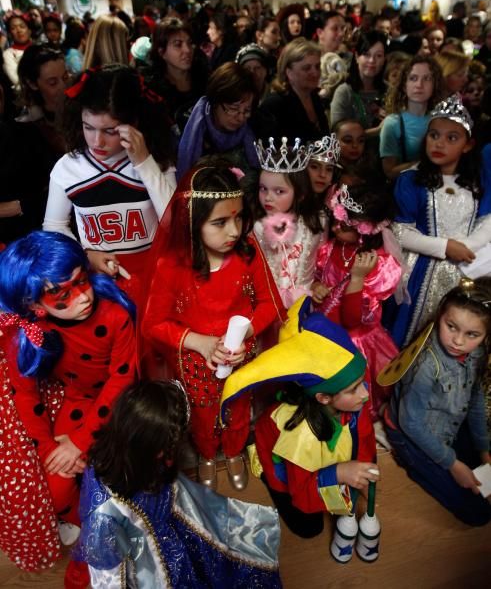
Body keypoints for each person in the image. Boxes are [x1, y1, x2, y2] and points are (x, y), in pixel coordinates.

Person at [0, 231, 137, 584]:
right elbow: (26, 395)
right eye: (63, 294)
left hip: (118, 403)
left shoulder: (114, 313)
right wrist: (51, 450)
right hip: (73, 402)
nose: (83, 296)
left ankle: (125, 528)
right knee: (58, 487)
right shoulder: (27, 332)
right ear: (34, 306)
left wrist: (79, 442)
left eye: (82, 281)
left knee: (127, 472)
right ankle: (92, 532)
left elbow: (121, 382)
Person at [142, 166, 285, 490]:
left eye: (237, 218)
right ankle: (207, 454)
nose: (233, 231)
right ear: (193, 223)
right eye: (220, 222)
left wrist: (247, 333)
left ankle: (234, 452)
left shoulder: (248, 253)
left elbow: (268, 304)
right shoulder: (172, 265)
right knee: (203, 415)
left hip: (240, 355)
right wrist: (201, 343)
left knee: (239, 406)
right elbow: (153, 324)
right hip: (195, 360)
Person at [75, 380, 282, 588]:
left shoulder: (143, 459)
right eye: (164, 448)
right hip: (146, 563)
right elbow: (109, 578)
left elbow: (186, 500)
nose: (166, 456)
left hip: (175, 529)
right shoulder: (103, 514)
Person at [220, 297, 377, 542]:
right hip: (290, 469)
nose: (366, 394)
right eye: (354, 389)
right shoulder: (299, 436)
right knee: (308, 528)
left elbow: (364, 438)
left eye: (361, 383)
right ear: (324, 398)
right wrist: (337, 474)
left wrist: (364, 473)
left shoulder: (356, 401)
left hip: (323, 448)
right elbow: (301, 491)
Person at [43, 65, 176, 303]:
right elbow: (53, 229)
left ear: (133, 122)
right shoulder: (68, 167)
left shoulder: (156, 160)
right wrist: (85, 255)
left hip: (156, 280)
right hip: (96, 286)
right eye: (88, 127)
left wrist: (144, 162)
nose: (97, 140)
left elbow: (176, 223)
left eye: (110, 130)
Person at [381, 278, 491, 526]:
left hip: (448, 420)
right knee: (478, 514)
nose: (458, 341)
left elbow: (474, 400)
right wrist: (452, 464)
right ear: (440, 316)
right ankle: (410, 460)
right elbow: (410, 423)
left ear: (485, 335)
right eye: (451, 326)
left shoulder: (477, 352)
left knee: (483, 477)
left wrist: (483, 450)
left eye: (472, 334)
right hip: (409, 431)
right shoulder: (427, 364)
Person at [389, 95, 491, 347]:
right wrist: (446, 247)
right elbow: (400, 232)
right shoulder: (410, 180)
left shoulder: (478, 181)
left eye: (451, 138)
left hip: (465, 271)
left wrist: (467, 246)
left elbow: (488, 220)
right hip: (419, 274)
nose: (439, 143)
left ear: (468, 145)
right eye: (434, 135)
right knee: (411, 336)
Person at [311, 184, 401, 423]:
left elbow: (352, 320)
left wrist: (358, 277)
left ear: (367, 230)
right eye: (336, 220)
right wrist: (316, 288)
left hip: (356, 344)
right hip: (326, 335)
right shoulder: (332, 248)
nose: (335, 227)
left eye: (345, 225)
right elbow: (318, 278)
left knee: (355, 402)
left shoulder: (379, 266)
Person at [252, 137, 325, 309]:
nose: (268, 197)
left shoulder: (316, 221)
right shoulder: (257, 226)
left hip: (303, 307)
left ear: (300, 194)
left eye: (279, 191)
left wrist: (316, 285)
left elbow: (320, 261)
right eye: (263, 189)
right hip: (268, 307)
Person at [176, 62, 258, 179]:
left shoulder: (254, 130)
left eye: (246, 111)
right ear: (215, 102)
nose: (240, 118)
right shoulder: (185, 129)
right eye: (233, 109)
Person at [380, 54, 443, 180]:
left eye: (427, 78)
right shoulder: (393, 123)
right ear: (404, 85)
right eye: (413, 78)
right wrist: (424, 164)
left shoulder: (441, 120)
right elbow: (390, 172)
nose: (419, 85)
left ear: (435, 84)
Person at [144, 16, 208, 134]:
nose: (187, 50)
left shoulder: (204, 78)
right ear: (161, 52)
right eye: (178, 44)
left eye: (189, 43)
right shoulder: (153, 91)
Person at [257, 38, 327, 143]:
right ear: (289, 72)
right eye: (307, 68)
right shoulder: (274, 105)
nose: (315, 73)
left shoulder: (316, 98)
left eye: (317, 67)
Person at [330, 31, 387, 139]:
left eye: (378, 56)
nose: (372, 61)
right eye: (366, 54)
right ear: (356, 56)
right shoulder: (345, 92)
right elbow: (337, 137)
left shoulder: (389, 92)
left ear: (384, 59)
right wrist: (377, 131)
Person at [16, 44, 68, 161]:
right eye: (53, 83)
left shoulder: (79, 108)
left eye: (65, 77)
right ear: (32, 83)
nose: (64, 87)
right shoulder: (25, 128)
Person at [2, 13, 32, 88]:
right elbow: (16, 80)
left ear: (29, 30)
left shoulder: (40, 47)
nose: (19, 30)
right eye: (13, 28)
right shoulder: (8, 54)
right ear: (9, 34)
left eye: (22, 26)